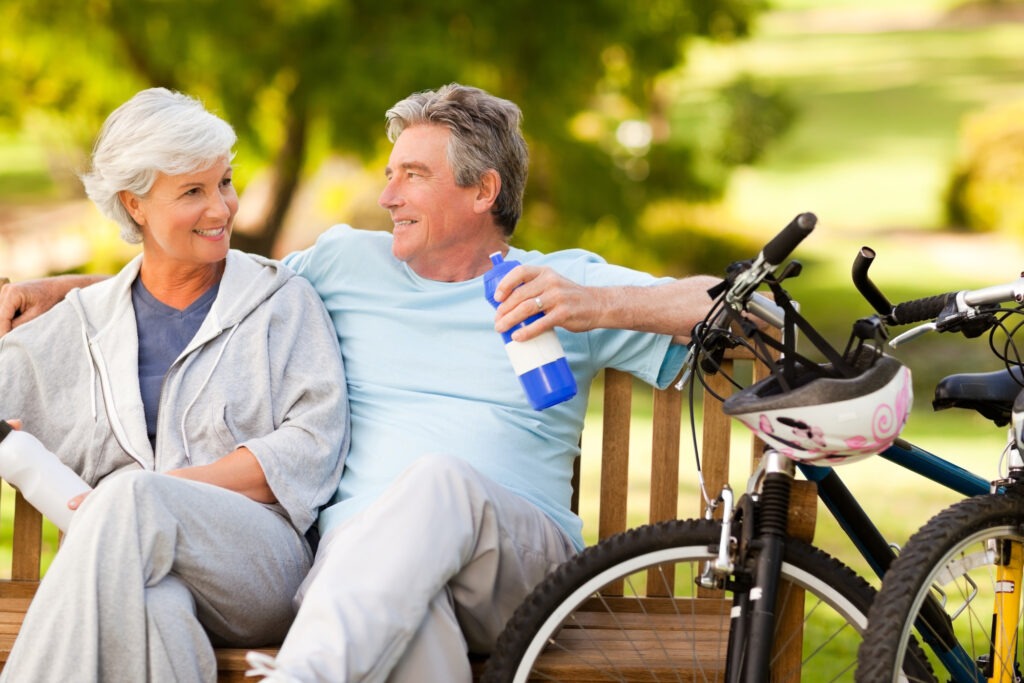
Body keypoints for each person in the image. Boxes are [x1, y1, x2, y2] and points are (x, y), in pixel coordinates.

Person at [0, 83, 720, 682]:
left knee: (441, 479)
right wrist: (60, 288)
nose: (387, 196)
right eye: (388, 174)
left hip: (513, 566)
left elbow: (746, 309)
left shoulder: (562, 284)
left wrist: (597, 304)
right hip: (361, 575)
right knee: (409, 630)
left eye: (413, 175)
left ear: (483, 191)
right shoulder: (346, 263)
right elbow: (209, 280)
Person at [0, 88, 349, 682]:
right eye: (193, 191)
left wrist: (154, 494)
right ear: (135, 205)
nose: (221, 208)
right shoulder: (81, 325)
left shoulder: (279, 304)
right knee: (156, 605)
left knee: (133, 495)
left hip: (257, 566)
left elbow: (309, 451)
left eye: (225, 182)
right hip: (131, 572)